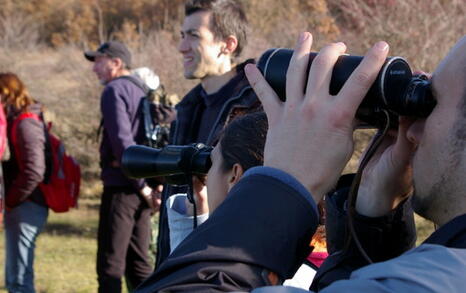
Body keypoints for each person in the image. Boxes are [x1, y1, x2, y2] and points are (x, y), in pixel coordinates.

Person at [135, 32, 466, 292]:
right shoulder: (441, 272)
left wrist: (281, 182)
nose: (412, 127)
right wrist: (371, 218)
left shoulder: (427, 280)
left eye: (432, 103)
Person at [156, 0, 260, 266]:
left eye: (193, 36)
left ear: (228, 44)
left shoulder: (259, 107)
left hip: (233, 266)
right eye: (182, 36)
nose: (181, 47)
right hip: (183, 261)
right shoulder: (188, 108)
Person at [84, 41, 161, 292]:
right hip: (142, 188)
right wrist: (149, 188)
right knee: (139, 264)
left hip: (122, 187)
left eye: (98, 61)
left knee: (110, 264)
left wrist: (142, 188)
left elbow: (121, 143)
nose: (94, 68)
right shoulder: (142, 90)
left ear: (116, 63)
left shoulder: (114, 90)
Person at [1, 73, 49, 293]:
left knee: (19, 279)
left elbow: (34, 171)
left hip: (27, 204)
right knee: (15, 278)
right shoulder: (20, 121)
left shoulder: (26, 123)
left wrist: (11, 200)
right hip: (23, 204)